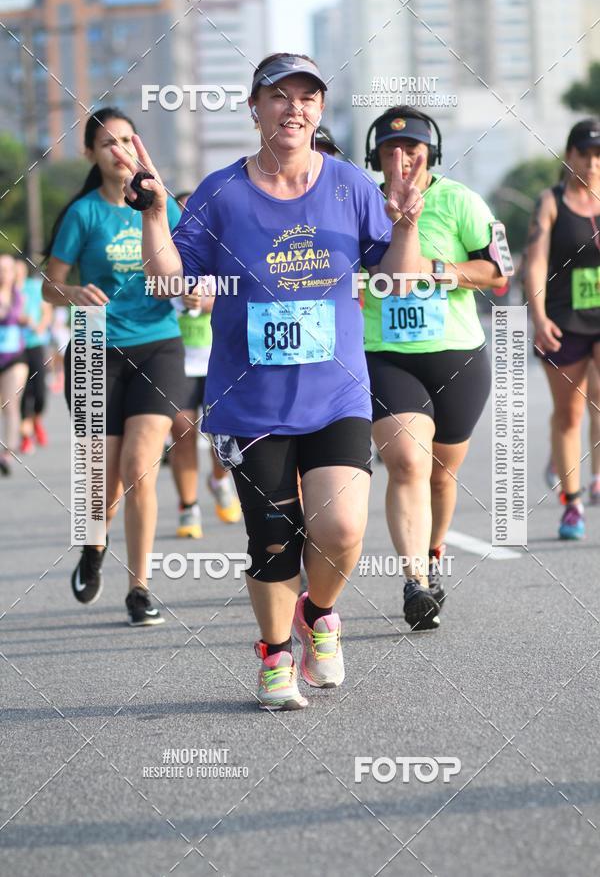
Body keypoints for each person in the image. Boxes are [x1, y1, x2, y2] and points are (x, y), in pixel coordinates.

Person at [113, 52, 424, 710]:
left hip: (336, 392)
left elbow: (398, 281)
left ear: (320, 109)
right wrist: (155, 213)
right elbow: (169, 283)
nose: (294, 108)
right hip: (251, 400)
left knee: (341, 530)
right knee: (274, 539)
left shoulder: (349, 186)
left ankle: (320, 613)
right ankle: (276, 654)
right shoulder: (223, 192)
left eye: (307, 97)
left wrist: (406, 226)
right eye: (279, 96)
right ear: (255, 108)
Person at [363, 106, 510, 628]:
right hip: (386, 355)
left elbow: (499, 271)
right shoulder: (363, 203)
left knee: (443, 475)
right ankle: (415, 582)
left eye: (413, 148)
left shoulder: (461, 200)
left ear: (432, 153)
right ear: (376, 157)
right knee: (408, 462)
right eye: (390, 149)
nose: (402, 157)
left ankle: (432, 554)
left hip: (457, 354)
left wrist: (438, 270)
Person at [42, 107, 185, 625]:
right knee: (101, 481)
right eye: (108, 143)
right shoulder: (83, 214)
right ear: (91, 154)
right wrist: (73, 292)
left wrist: (196, 292)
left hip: (158, 344)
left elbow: (189, 267)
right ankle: (93, 544)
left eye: (127, 140)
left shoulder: (161, 202)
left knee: (139, 466)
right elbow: (49, 285)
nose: (120, 151)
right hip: (93, 348)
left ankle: (139, 589)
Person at [526, 118, 600, 539]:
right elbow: (536, 261)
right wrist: (538, 316)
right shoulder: (551, 201)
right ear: (570, 156)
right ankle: (572, 502)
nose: (592, 163)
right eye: (585, 155)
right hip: (564, 318)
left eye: (599, 156)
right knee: (570, 412)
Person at [169, 191, 242, 538]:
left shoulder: (224, 250)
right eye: (182, 212)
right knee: (182, 432)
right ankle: (188, 508)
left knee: (221, 436)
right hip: (179, 361)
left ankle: (218, 480)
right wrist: (181, 299)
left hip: (218, 360)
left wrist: (211, 301)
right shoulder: (166, 254)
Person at [544, 359, 600, 504]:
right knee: (569, 408)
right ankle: (560, 454)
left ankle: (597, 479)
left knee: (597, 398)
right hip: (569, 347)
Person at [18, 260, 53, 453]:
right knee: (22, 391)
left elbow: (46, 311)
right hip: (16, 348)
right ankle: (25, 435)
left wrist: (40, 326)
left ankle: (36, 418)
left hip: (36, 343)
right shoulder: (7, 290)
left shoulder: (33, 287)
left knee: (40, 391)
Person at [0, 254, 28, 476]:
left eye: (6, 269)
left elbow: (26, 317)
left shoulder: (20, 295)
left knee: (10, 404)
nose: (3, 274)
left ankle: (7, 453)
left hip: (15, 357)